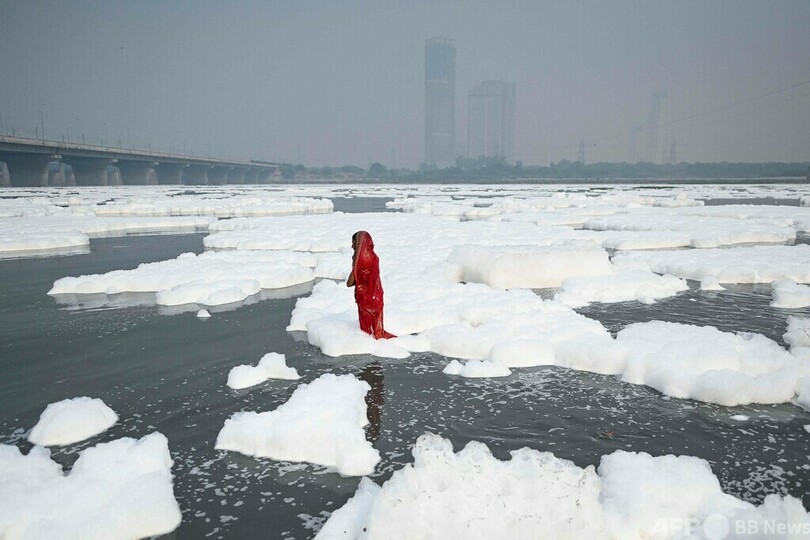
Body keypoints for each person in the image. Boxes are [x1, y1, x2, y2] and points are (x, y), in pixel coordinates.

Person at [346, 231, 395, 339]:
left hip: (365, 300)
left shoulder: (360, 261)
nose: (352, 246)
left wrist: (354, 265)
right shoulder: (374, 257)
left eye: (353, 243)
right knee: (376, 331)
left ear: (359, 243)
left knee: (367, 333)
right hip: (376, 296)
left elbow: (349, 283)